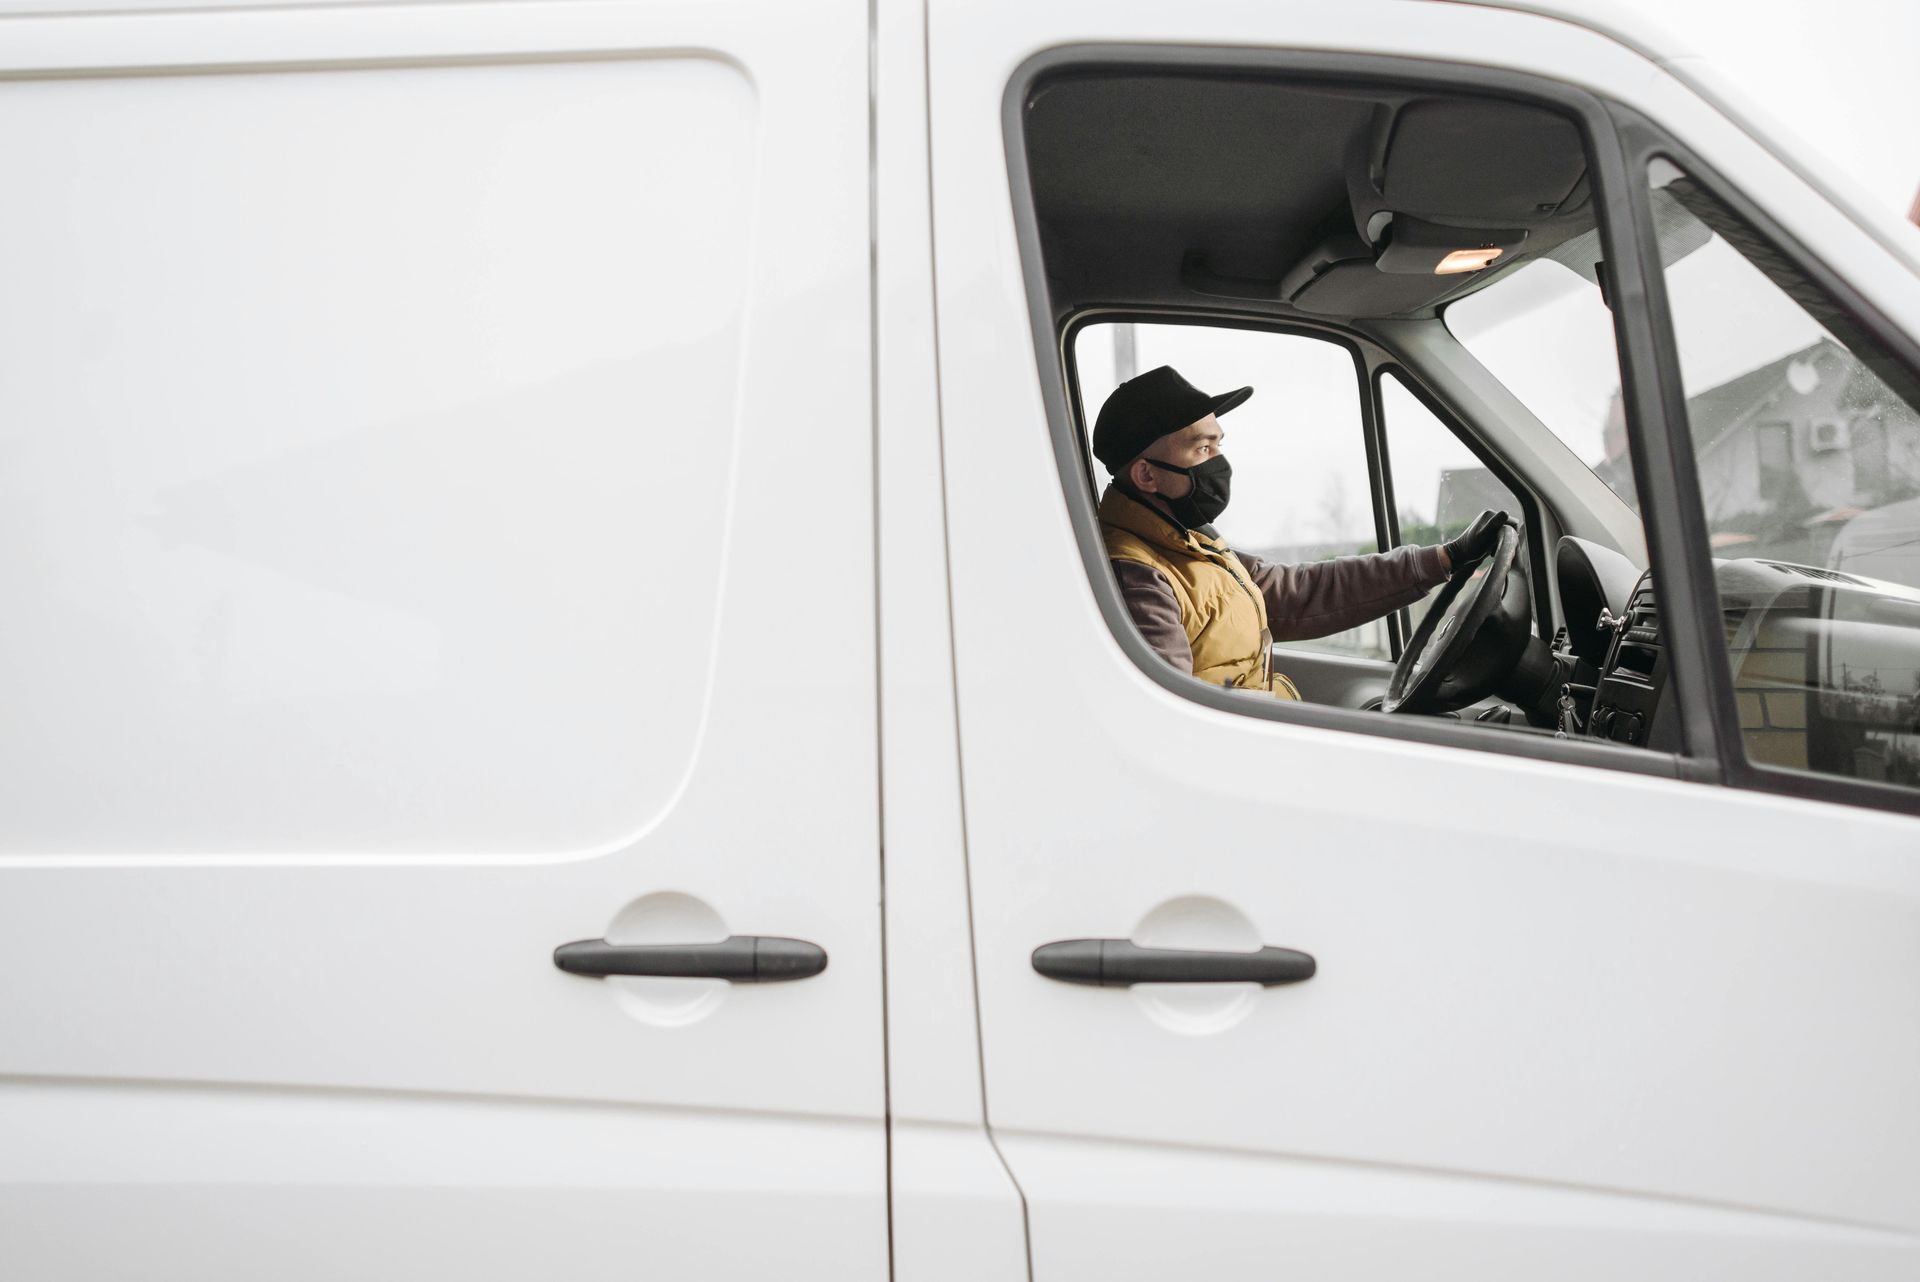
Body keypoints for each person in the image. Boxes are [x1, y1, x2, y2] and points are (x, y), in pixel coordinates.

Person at [1093, 365, 1509, 699]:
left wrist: (1443, 559)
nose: (1219, 462)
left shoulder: (1191, 541)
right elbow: (1170, 720)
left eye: (1219, 445)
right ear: (1146, 475)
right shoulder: (1136, 577)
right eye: (1203, 448)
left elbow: (1297, 591)